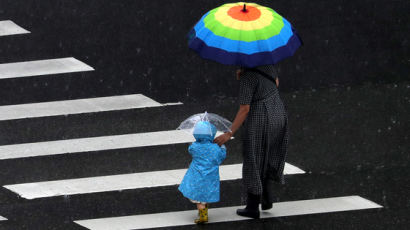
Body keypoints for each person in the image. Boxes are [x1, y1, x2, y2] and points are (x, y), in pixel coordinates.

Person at [214, 65, 288, 219]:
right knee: (268, 155)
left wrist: (229, 133)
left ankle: (253, 206)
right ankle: (266, 197)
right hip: (278, 114)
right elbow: (276, 83)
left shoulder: (248, 78)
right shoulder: (269, 67)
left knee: (253, 160)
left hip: (260, 118)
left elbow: (245, 109)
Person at [178, 121, 227, 224]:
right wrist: (222, 147)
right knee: (205, 196)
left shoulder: (195, 146)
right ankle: (204, 212)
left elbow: (190, 150)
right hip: (210, 177)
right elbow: (221, 156)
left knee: (199, 199)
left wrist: (194, 144)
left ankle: (203, 216)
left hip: (197, 176)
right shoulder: (215, 148)